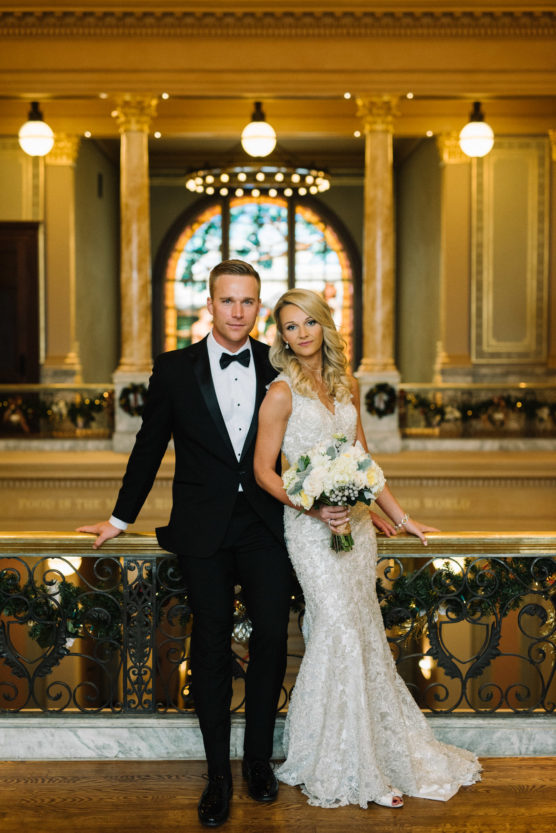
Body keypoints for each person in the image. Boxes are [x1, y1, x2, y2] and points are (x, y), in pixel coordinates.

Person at [78, 260, 296, 828]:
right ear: (210, 303)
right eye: (229, 301)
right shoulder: (174, 369)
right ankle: (218, 776)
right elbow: (148, 447)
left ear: (257, 306)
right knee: (211, 647)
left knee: (273, 637)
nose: (238, 312)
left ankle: (257, 763)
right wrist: (119, 519)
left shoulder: (280, 363)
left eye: (249, 302)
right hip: (203, 531)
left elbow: (305, 439)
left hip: (266, 526)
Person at [253, 288, 481, 810]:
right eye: (290, 326)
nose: (302, 333)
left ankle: (375, 751)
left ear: (323, 325)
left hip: (357, 532)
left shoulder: (344, 383)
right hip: (311, 532)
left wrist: (396, 516)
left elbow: (361, 461)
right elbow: (264, 471)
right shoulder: (281, 393)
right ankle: (338, 760)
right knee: (335, 629)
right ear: (282, 336)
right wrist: (311, 509)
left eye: (309, 322)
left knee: (361, 631)